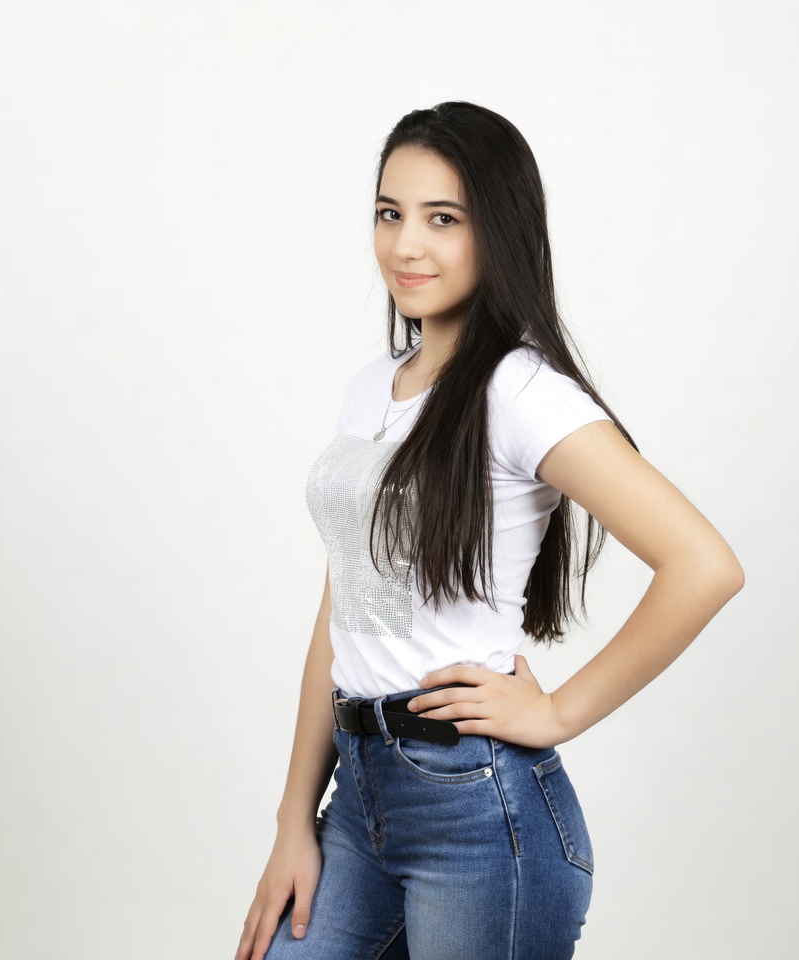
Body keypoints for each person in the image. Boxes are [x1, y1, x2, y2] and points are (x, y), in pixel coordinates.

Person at [235, 101, 744, 960]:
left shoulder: (520, 391)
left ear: (498, 230)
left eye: (443, 219)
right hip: (357, 802)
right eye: (390, 213)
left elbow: (704, 564)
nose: (406, 245)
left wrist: (558, 712)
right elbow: (343, 606)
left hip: (477, 815)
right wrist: (294, 818)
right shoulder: (372, 387)